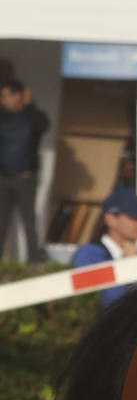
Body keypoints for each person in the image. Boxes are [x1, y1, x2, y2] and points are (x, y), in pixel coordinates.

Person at [72, 185, 137, 307]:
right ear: (110, 219)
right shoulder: (88, 255)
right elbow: (101, 301)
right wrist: (131, 266)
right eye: (134, 217)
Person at [0, 79, 49, 263]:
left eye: (5, 95)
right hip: (4, 178)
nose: (2, 100)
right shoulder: (3, 118)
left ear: (18, 95)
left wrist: (30, 105)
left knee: (28, 222)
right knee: (1, 223)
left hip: (25, 177)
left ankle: (34, 263)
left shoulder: (33, 116)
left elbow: (43, 126)